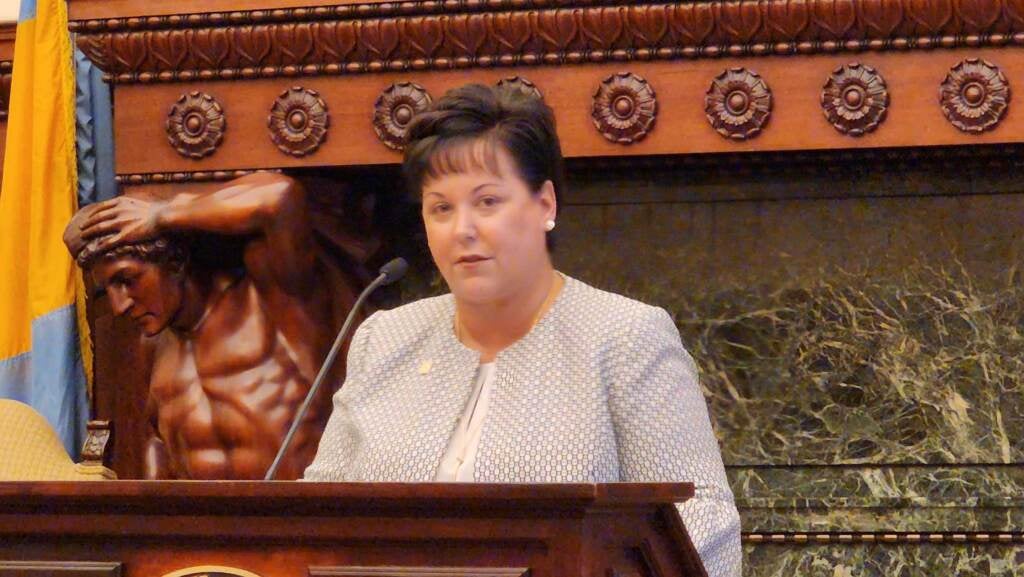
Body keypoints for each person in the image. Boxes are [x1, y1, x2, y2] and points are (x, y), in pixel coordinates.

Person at [304, 84, 742, 575]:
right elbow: (316, 515)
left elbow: (702, 518)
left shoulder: (626, 337)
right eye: (440, 208)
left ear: (545, 204)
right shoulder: (384, 339)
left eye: (487, 201)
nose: (462, 229)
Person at [63, 172, 355, 480]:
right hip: (199, 525)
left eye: (126, 280)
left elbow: (281, 196)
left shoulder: (276, 303)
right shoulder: (152, 346)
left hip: (303, 521)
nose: (119, 306)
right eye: (106, 290)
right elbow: (157, 442)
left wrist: (163, 215)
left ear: (174, 263)